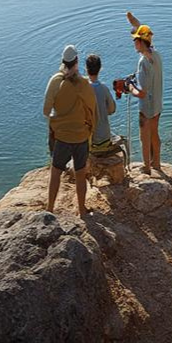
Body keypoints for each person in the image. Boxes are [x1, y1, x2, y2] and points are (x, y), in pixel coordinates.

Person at [43, 44, 97, 216]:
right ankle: (82, 210)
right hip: (81, 137)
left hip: (62, 137)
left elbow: (46, 110)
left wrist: (58, 117)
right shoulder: (84, 84)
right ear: (77, 61)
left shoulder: (55, 81)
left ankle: (50, 208)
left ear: (62, 61)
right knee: (81, 174)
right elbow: (92, 109)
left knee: (56, 172)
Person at [125, 24, 163, 175]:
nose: (134, 43)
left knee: (144, 137)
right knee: (154, 134)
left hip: (146, 107)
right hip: (157, 105)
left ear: (141, 42)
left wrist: (129, 87)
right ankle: (157, 164)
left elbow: (141, 93)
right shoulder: (156, 55)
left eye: (135, 40)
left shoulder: (143, 62)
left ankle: (147, 167)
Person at [85, 54, 117, 155]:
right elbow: (112, 109)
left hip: (90, 142)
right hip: (105, 139)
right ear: (100, 68)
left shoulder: (83, 90)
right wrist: (102, 110)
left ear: (86, 69)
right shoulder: (104, 88)